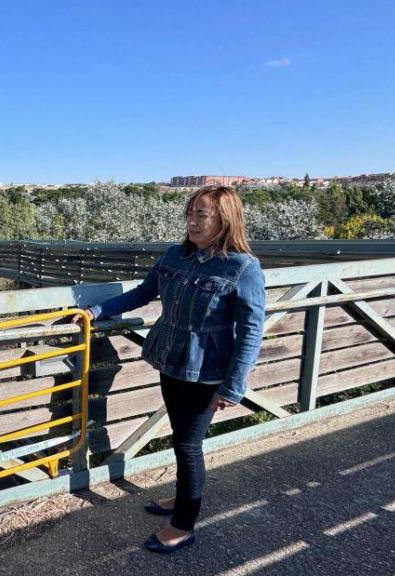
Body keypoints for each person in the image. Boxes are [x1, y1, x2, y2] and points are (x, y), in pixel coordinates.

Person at [81, 185, 265, 553]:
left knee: (188, 444)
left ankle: (184, 523)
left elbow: (251, 330)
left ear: (225, 219)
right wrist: (96, 311)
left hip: (208, 371)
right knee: (181, 436)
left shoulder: (243, 267)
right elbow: (143, 293)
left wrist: (233, 386)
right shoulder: (175, 255)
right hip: (171, 361)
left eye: (203, 215)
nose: (193, 222)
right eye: (191, 214)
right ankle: (181, 499)